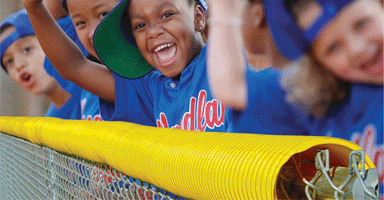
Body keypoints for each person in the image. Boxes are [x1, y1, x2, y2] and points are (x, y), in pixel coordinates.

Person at [207, 0, 383, 197]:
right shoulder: (327, 102)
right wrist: (224, 9)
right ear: (320, 65)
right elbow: (231, 87)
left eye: (361, 23)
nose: (357, 48)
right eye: (333, 48)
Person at [22, 0, 232, 131]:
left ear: (198, 17)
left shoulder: (226, 57)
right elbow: (74, 67)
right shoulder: (151, 87)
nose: (153, 31)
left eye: (167, 15)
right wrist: (33, 7)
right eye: (140, 25)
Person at [0, 9, 81, 119]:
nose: (19, 65)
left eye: (27, 49)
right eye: (9, 61)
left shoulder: (96, 92)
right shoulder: (49, 122)